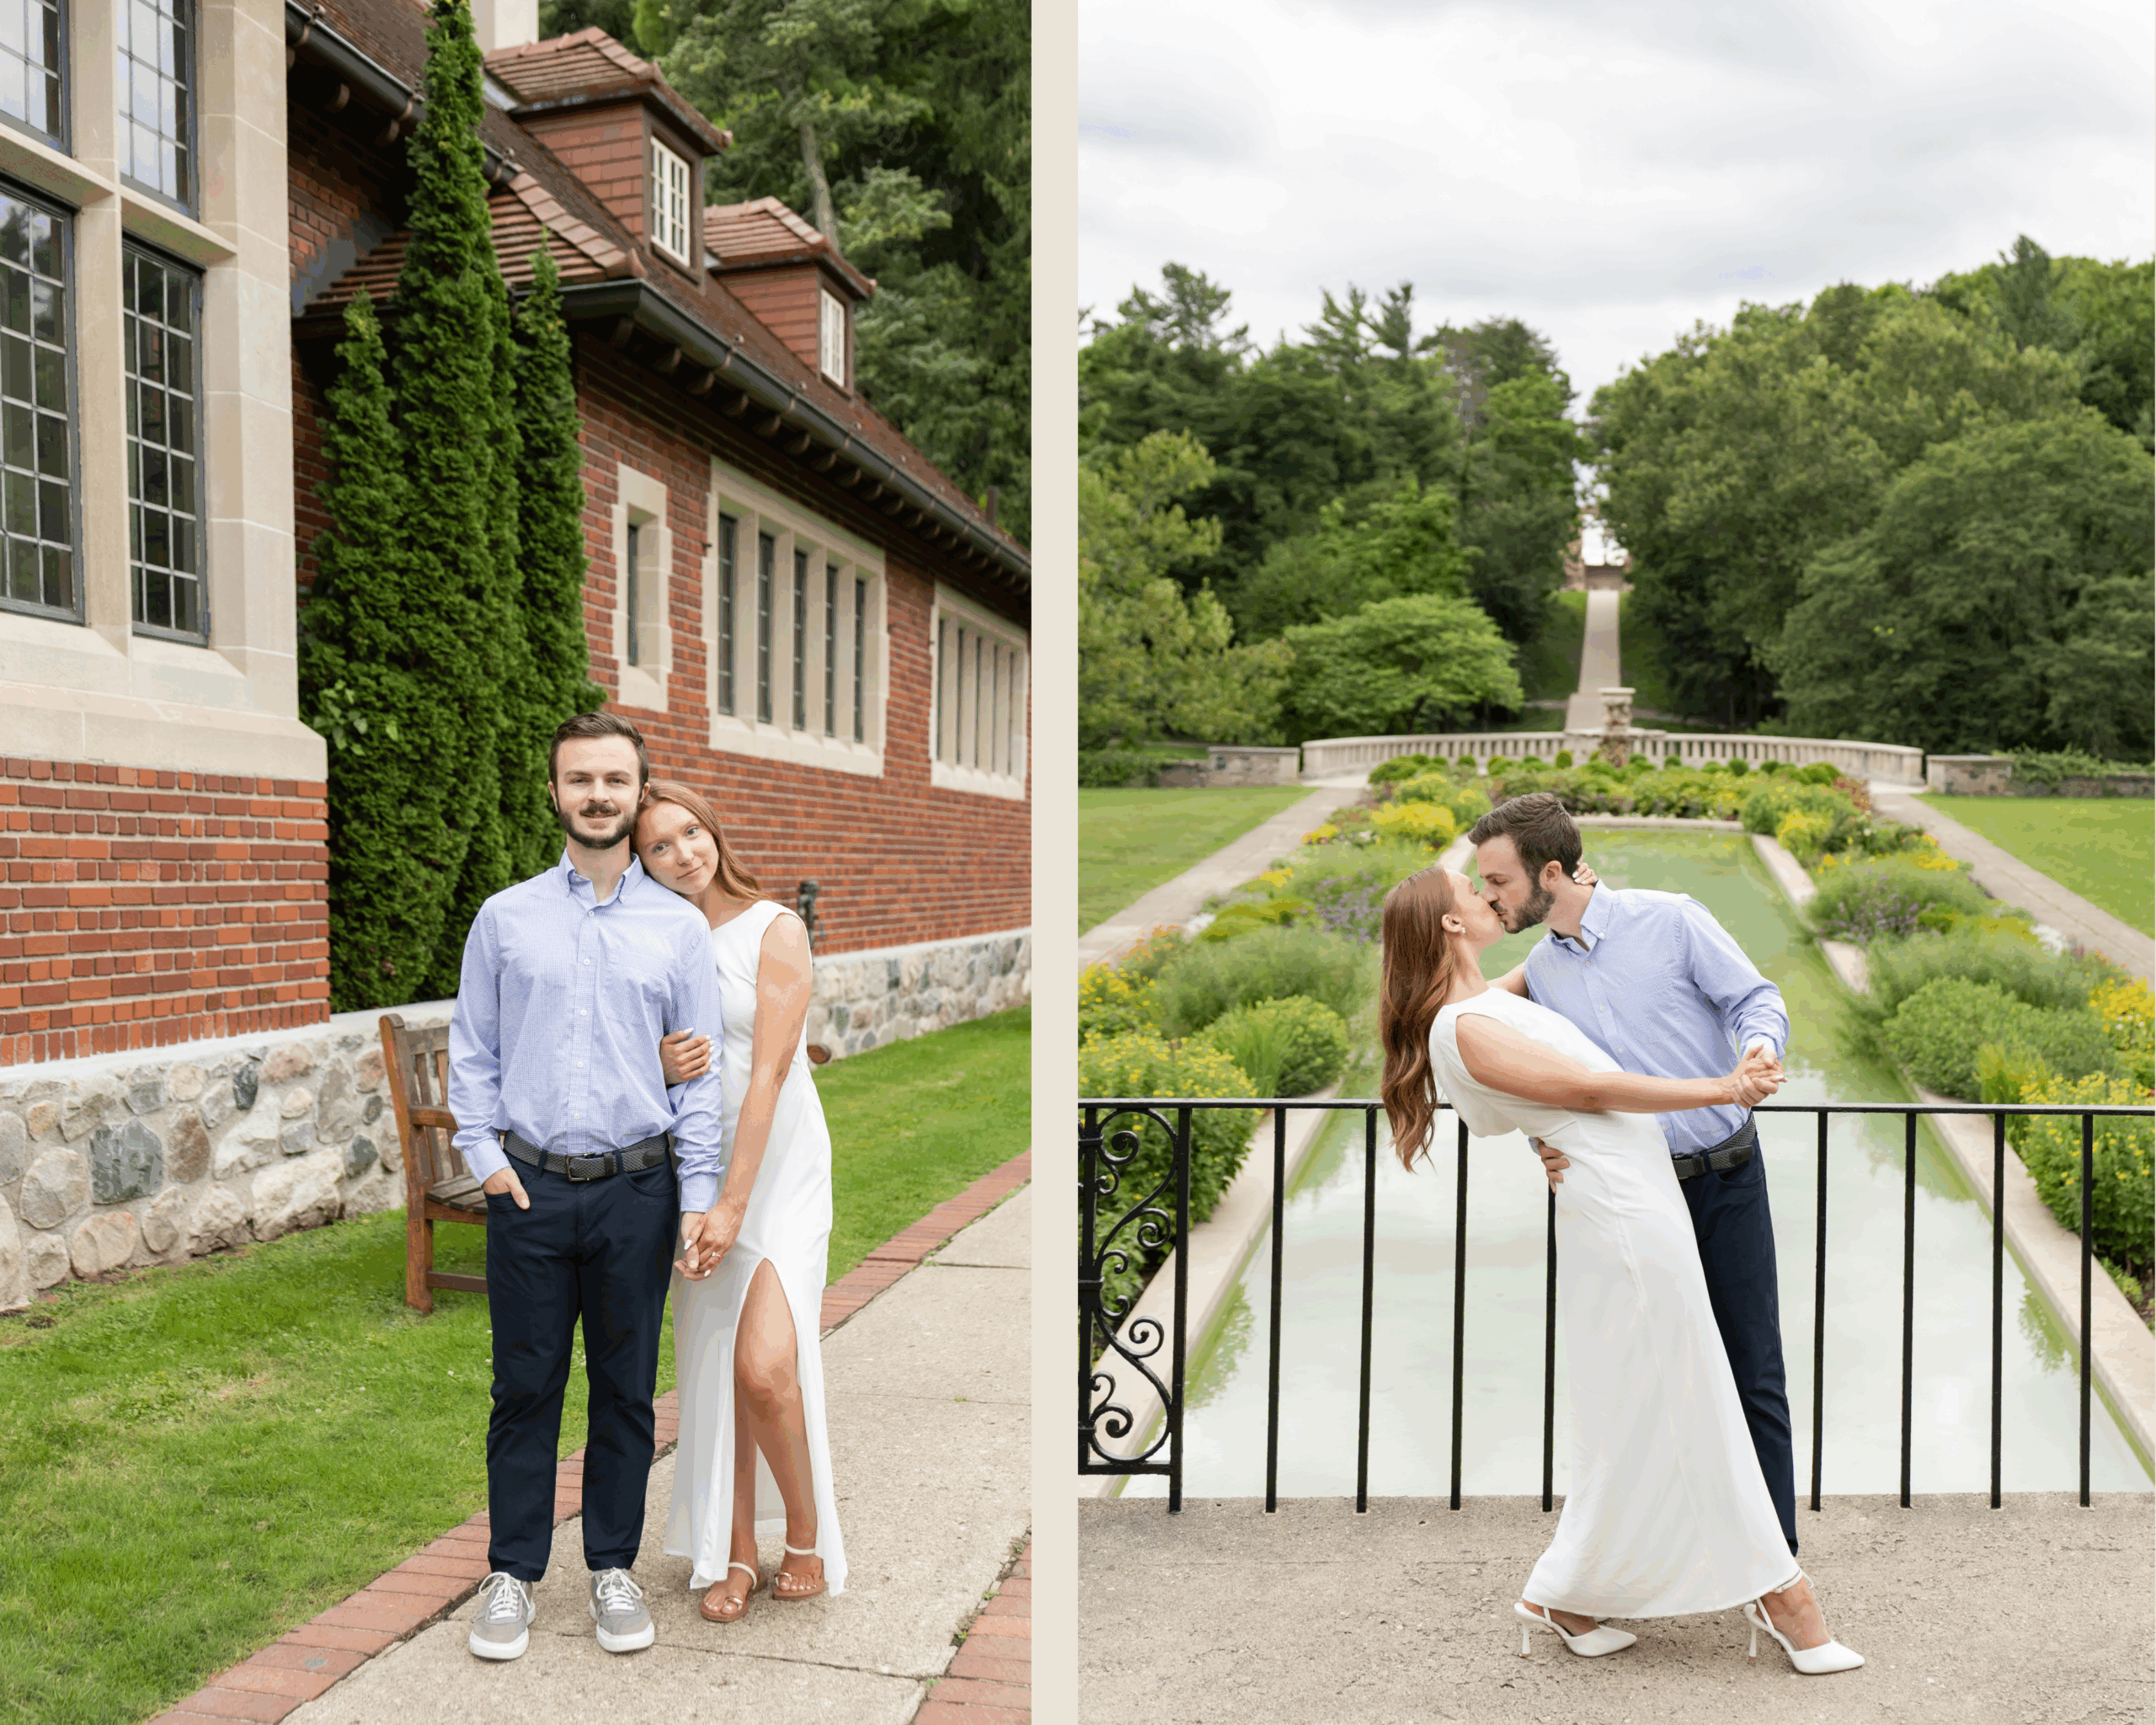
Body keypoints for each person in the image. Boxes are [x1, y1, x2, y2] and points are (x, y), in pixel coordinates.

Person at [1380, 862, 1862, 1674]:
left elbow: (1540, 1054)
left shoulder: (1498, 993)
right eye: (1473, 889)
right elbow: (1590, 1088)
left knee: (1648, 1404)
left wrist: (1543, 1123)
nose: (1488, 896)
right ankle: (1786, 1597)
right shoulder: (1463, 1025)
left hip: (1641, 1201)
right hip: (1626, 1218)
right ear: (1452, 924)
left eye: (1492, 879)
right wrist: (1725, 1085)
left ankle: (1564, 1596)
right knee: (1696, 1392)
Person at [447, 713, 727, 1663]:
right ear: (556, 791)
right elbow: (473, 1049)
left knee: (626, 1391)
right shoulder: (505, 916)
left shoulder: (678, 927)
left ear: (635, 788)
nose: (597, 794)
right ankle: (512, 1574)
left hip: (637, 1190)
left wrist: (696, 1196)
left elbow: (696, 1080)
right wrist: (484, 1157)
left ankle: (612, 1566)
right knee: (523, 1387)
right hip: (525, 1186)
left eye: (614, 779)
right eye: (580, 779)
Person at [1468, 793, 1803, 1565]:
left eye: (1499, 881)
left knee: (1754, 1370)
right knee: (1647, 1382)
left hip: (1726, 1181)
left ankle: (1777, 1562)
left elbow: (1756, 997)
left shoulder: (1671, 918)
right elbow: (1537, 1079)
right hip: (1628, 1198)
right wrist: (1541, 1143)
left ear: (1551, 872)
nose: (1490, 895)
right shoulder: (1542, 973)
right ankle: (1673, 1557)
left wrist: (1757, 1049)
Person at [633, 781, 847, 1620]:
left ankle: (804, 1532)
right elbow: (634, 1061)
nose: (684, 850)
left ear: (714, 829)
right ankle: (735, 1550)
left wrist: (731, 1204)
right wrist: (657, 1063)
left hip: (776, 1167)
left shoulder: (774, 927)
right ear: (640, 861)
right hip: (690, 1166)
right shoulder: (655, 939)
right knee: (715, 1364)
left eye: (691, 831)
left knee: (765, 1366)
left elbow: (767, 1070)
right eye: (660, 845)